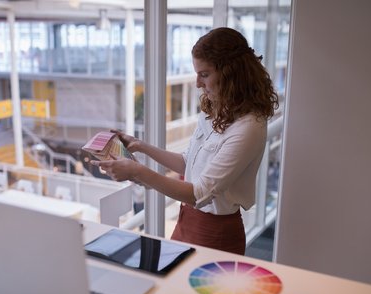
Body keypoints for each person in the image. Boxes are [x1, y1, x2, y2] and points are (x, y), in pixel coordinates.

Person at [92, 27, 278, 255]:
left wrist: (136, 172)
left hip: (216, 233)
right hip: (186, 220)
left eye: (204, 74)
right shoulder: (214, 111)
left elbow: (199, 193)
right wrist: (140, 146)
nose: (197, 83)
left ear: (231, 73)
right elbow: (187, 162)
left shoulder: (249, 127)